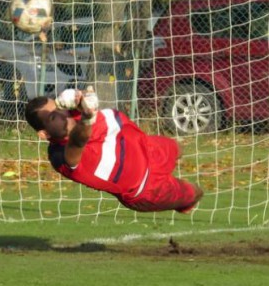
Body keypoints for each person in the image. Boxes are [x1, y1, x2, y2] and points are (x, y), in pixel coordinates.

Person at [24, 88, 203, 213]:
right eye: (53, 116)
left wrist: (83, 98)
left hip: (148, 147)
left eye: (59, 108)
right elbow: (79, 141)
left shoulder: (76, 112)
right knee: (194, 193)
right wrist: (87, 117)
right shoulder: (59, 155)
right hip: (147, 188)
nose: (63, 114)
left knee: (179, 148)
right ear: (44, 134)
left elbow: (87, 100)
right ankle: (184, 204)